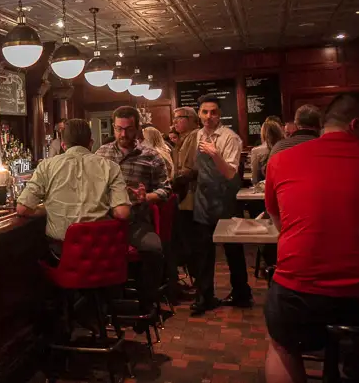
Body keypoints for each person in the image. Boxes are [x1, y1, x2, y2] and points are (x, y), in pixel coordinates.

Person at [264, 93, 359, 383]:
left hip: (297, 289)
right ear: (357, 124)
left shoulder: (281, 159)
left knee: (281, 346)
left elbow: (279, 222)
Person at [16, 118, 130, 259]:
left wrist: (47, 208)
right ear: (91, 143)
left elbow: (22, 209)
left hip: (62, 254)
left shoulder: (46, 166)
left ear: (63, 145)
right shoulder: (111, 167)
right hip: (102, 252)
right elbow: (122, 213)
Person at [96, 106, 169, 312]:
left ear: (137, 129)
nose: (122, 134)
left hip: (136, 221)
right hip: (106, 221)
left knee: (154, 250)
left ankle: (147, 306)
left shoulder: (151, 156)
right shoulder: (102, 153)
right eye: (118, 129)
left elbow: (166, 189)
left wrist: (148, 197)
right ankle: (104, 308)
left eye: (128, 129)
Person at [190, 94, 249, 315]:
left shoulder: (229, 138)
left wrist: (215, 155)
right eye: (205, 112)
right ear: (199, 113)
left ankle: (242, 293)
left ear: (220, 114)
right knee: (203, 252)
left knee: (233, 249)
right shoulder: (197, 136)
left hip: (225, 198)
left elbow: (230, 173)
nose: (209, 116)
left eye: (213, 112)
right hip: (204, 199)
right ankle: (204, 296)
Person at [170, 106, 200, 287]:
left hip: (191, 196)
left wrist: (172, 180)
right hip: (184, 196)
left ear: (191, 119)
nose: (174, 122)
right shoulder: (183, 139)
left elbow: (192, 169)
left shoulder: (195, 136)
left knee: (191, 241)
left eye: (178, 118)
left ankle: (199, 281)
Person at [249, 120, 284, 185]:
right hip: (283, 186)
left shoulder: (256, 151)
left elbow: (254, 178)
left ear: (263, 133)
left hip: (264, 189)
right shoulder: (285, 147)